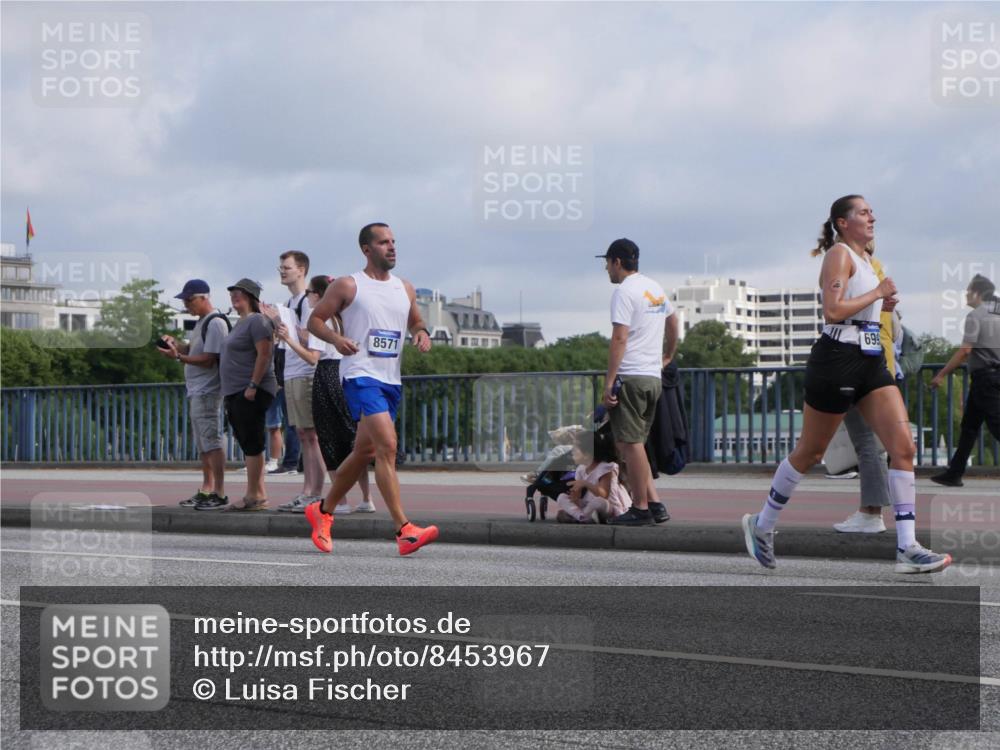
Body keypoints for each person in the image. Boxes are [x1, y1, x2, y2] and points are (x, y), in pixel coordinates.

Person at [742, 195, 951, 574]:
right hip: (837, 358)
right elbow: (833, 310)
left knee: (904, 447)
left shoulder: (868, 260)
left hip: (870, 360)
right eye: (863, 212)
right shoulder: (839, 255)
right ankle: (763, 523)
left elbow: (862, 308)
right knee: (809, 452)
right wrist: (877, 294)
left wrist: (881, 309)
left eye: (871, 211)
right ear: (842, 222)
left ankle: (907, 546)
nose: (873, 217)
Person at [304, 223, 438, 555]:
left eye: (393, 242)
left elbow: (416, 321)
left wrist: (421, 333)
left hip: (390, 378)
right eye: (383, 243)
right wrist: (336, 338)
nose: (391, 247)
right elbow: (315, 321)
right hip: (361, 375)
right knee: (387, 447)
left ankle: (322, 512)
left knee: (364, 451)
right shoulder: (348, 285)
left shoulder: (404, 288)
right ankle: (404, 530)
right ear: (367, 249)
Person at [596, 238, 679, 526]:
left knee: (629, 444)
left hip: (630, 377)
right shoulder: (653, 288)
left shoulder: (624, 292)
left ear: (617, 262)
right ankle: (654, 503)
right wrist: (668, 354)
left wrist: (609, 383)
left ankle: (641, 507)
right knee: (633, 443)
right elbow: (673, 321)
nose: (607, 268)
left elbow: (619, 338)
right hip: (652, 378)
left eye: (607, 262)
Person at [832, 246, 896, 533]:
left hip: (859, 361)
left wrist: (877, 296)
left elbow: (834, 311)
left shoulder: (863, 266)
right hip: (878, 362)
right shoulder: (872, 266)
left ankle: (872, 514)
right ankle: (879, 515)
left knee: (867, 443)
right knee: (885, 445)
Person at [158, 279, 230, 510]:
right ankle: (207, 488)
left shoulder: (216, 323)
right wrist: (176, 345)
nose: (187, 304)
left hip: (209, 390)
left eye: (190, 300)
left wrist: (178, 357)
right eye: (185, 300)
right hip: (197, 390)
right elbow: (195, 351)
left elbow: (210, 359)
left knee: (212, 441)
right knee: (203, 443)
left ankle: (218, 491)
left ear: (204, 298)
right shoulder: (201, 323)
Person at [304, 274, 373, 514]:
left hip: (325, 376)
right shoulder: (344, 318)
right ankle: (366, 498)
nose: (308, 298)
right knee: (353, 439)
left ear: (319, 295)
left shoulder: (319, 322)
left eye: (309, 292)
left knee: (329, 439)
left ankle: (340, 501)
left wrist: (290, 339)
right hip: (345, 374)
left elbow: (313, 356)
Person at [930, 273, 1000, 487]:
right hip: (992, 377)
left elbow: (965, 351)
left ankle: (954, 472)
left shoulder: (976, 316)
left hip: (985, 379)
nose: (966, 294)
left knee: (997, 425)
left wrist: (941, 374)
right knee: (969, 427)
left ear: (977, 293)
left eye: (968, 291)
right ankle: (954, 472)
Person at [270, 251, 326, 512]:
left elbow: (310, 340)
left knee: (311, 434)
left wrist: (288, 333)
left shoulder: (307, 302)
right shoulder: (291, 303)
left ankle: (315, 492)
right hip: (292, 371)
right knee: (303, 433)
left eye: (287, 267)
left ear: (301, 269)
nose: (283, 271)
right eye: (281, 267)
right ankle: (308, 490)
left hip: (304, 371)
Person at [219, 278, 277, 511]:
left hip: (251, 389)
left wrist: (253, 385)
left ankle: (253, 495)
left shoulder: (258, 322)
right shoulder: (241, 323)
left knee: (252, 441)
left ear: (251, 297)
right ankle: (258, 493)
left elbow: (265, 354)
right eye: (233, 293)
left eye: (240, 293)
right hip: (237, 389)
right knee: (247, 441)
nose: (234, 297)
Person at [555, 429, 631, 524]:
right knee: (561, 497)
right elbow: (577, 496)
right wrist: (574, 497)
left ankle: (579, 516)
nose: (572, 452)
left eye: (575, 449)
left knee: (598, 502)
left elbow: (604, 494)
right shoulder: (581, 469)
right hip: (589, 504)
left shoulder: (606, 468)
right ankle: (582, 517)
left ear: (587, 455)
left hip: (609, 505)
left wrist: (585, 483)